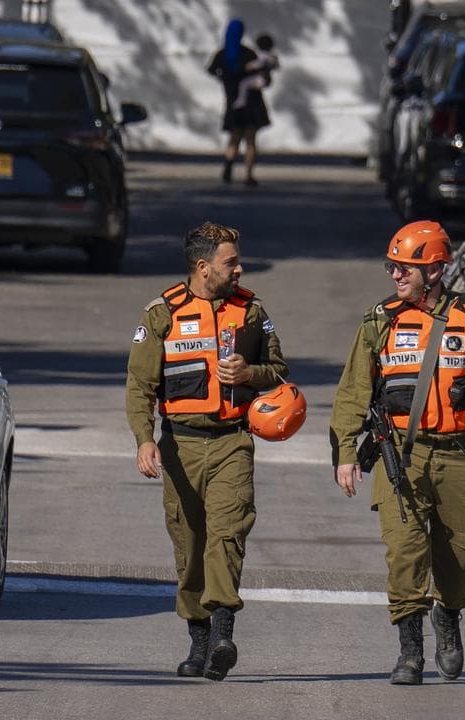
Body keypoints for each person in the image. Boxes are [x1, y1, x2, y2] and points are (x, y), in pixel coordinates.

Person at [329, 221, 465, 685]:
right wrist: (345, 451)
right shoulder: (378, 322)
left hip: (464, 454)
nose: (397, 275)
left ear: (437, 270)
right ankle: (409, 652)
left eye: (407, 268)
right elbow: (351, 393)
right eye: (393, 267)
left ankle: (449, 614)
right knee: (404, 551)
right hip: (400, 456)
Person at [125, 221, 289, 681]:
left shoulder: (252, 311)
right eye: (230, 262)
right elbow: (140, 385)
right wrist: (143, 439)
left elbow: (278, 369)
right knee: (190, 545)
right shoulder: (162, 314)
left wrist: (250, 374)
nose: (239, 269)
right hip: (179, 446)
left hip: (232, 442)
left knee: (227, 535)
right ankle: (198, 641)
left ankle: (222, 631)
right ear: (203, 267)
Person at [207, 20, 272, 186]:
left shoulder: (221, 55)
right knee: (250, 140)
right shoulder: (249, 54)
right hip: (252, 102)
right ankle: (248, 175)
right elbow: (263, 74)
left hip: (232, 101)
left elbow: (210, 69)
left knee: (234, 137)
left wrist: (224, 77)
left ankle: (228, 165)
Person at [233, 34, 278, 111]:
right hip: (266, 79)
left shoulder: (263, 55)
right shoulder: (272, 55)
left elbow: (258, 64)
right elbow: (275, 66)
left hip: (261, 79)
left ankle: (241, 101)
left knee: (243, 84)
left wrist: (248, 66)